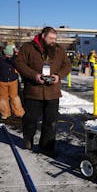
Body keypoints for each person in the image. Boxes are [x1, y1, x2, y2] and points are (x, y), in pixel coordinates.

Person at [15, 27, 71, 156]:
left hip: (53, 92)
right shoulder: (28, 47)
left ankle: (46, 147)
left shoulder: (59, 49)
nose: (53, 41)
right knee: (30, 120)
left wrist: (58, 76)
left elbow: (67, 66)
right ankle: (28, 139)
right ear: (43, 36)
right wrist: (34, 75)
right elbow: (19, 63)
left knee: (51, 122)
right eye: (51, 38)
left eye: (55, 39)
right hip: (33, 91)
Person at [0, 40, 24, 120]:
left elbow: (18, 63)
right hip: (0, 81)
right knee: (3, 98)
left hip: (12, 80)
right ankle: (6, 113)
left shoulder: (14, 58)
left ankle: (19, 112)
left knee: (14, 97)